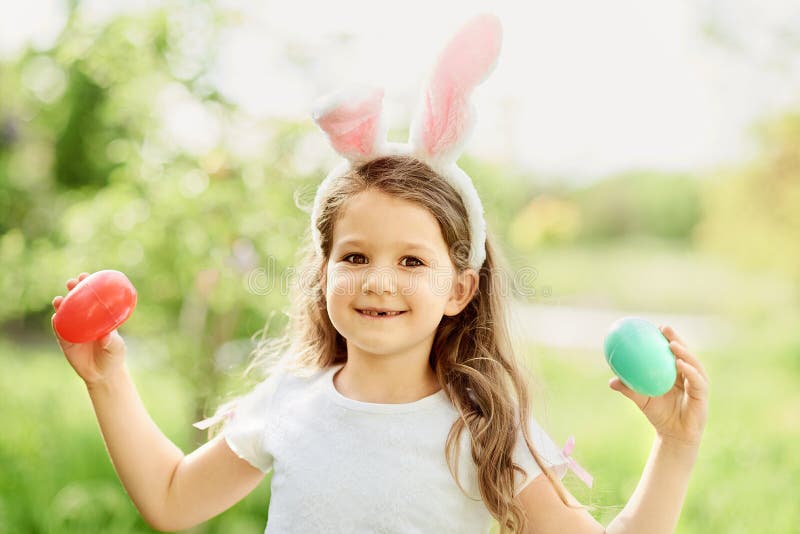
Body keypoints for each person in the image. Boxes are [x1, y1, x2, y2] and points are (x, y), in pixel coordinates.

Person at [51, 13, 709, 534]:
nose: (379, 281)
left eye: (412, 261)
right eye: (356, 257)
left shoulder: (481, 432)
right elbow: (172, 500)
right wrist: (106, 377)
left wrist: (675, 448)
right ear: (324, 272)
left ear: (459, 289)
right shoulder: (288, 404)